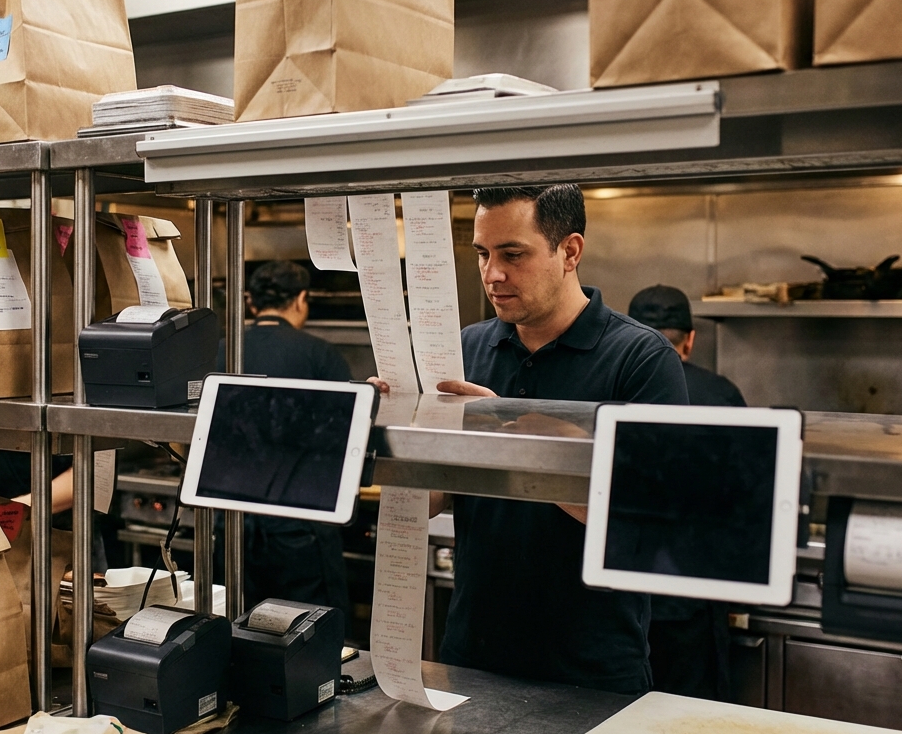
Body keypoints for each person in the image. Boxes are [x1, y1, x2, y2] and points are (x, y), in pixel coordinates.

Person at [370, 184, 688, 694]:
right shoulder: (463, 349)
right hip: (471, 654)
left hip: (592, 668)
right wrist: (385, 442)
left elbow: (648, 524)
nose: (493, 274)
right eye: (483, 254)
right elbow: (429, 498)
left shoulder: (641, 359)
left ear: (570, 251)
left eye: (513, 255)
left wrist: (502, 433)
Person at [628, 284, 747, 700]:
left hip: (618, 594)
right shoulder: (721, 395)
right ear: (690, 339)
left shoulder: (615, 383)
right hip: (690, 594)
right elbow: (743, 496)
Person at [216, 260, 354, 616]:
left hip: (231, 524)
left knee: (240, 631)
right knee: (309, 639)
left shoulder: (220, 351)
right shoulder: (320, 355)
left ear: (251, 302)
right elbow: (341, 442)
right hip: (299, 527)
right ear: (301, 299)